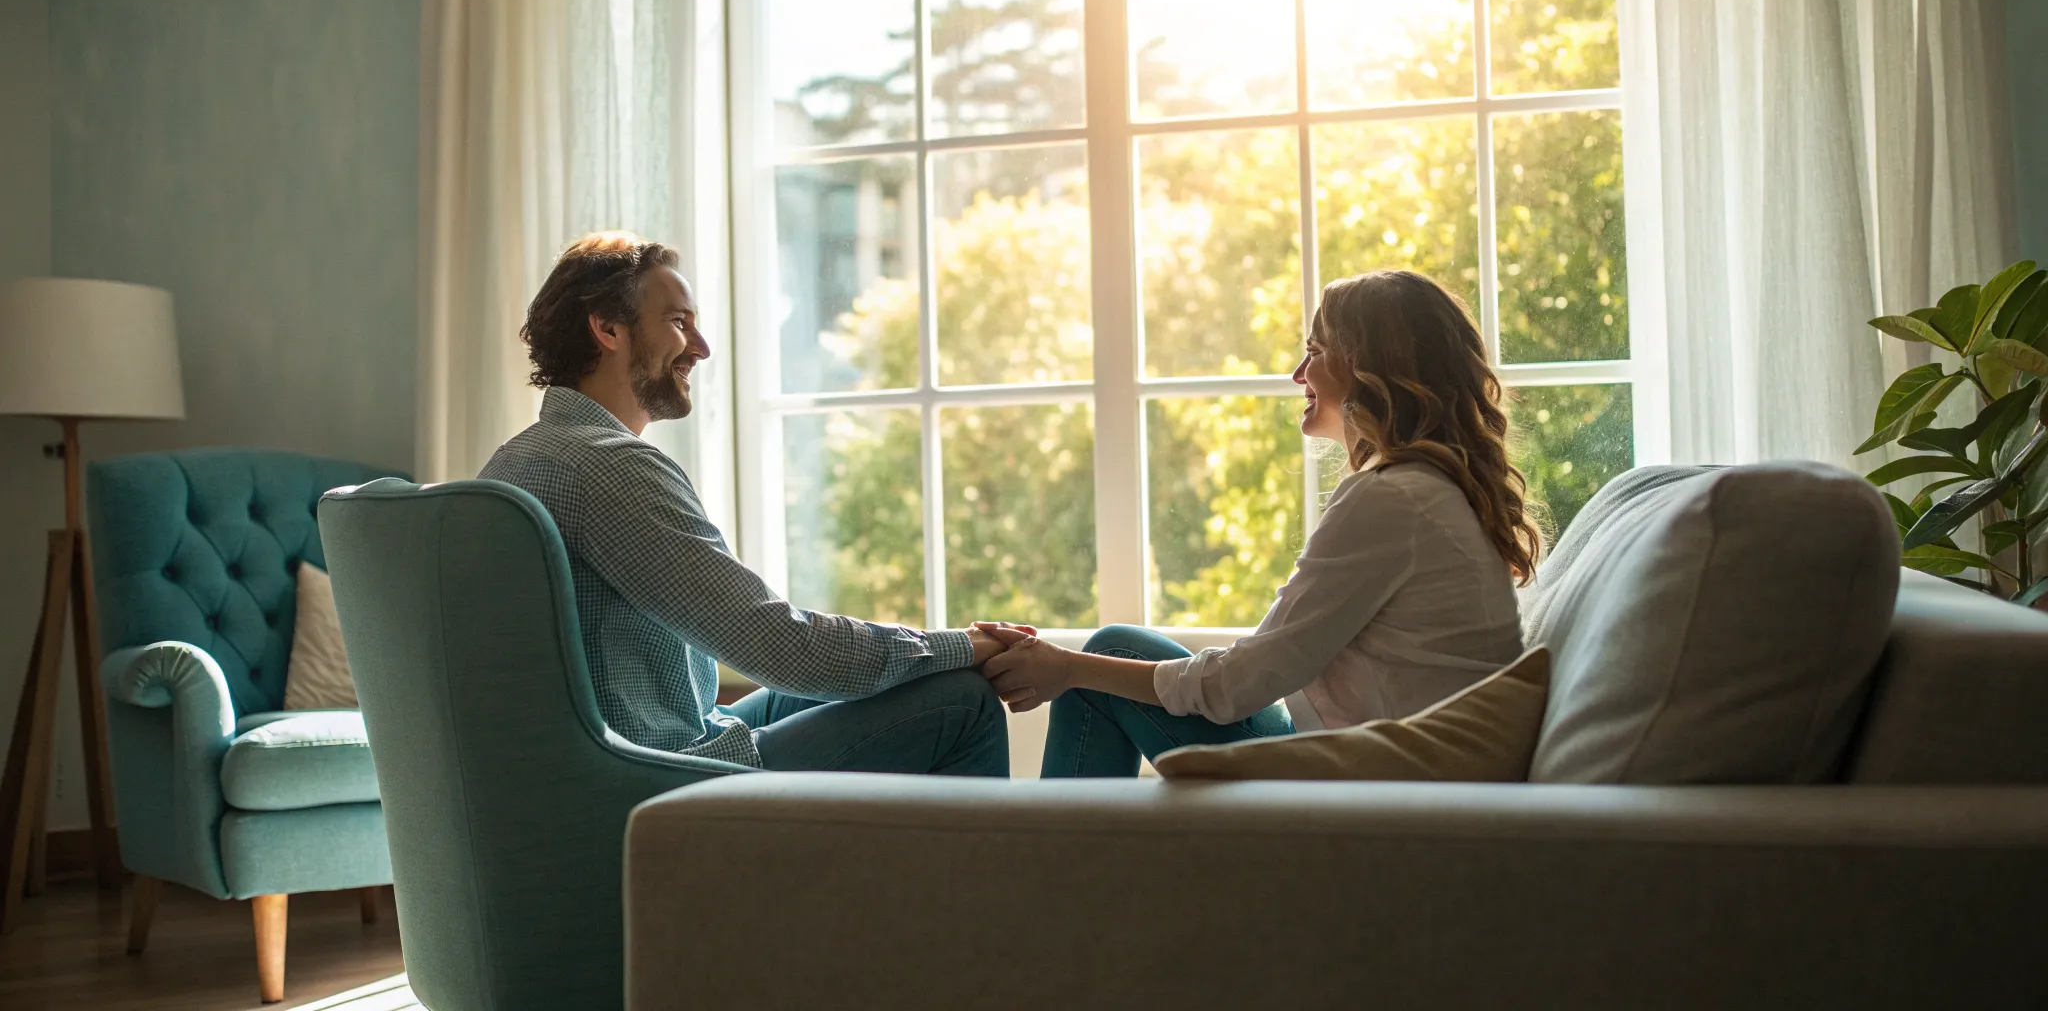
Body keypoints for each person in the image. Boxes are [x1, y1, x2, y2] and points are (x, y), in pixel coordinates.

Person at [482, 231, 1014, 775]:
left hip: (645, 745)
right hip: (660, 779)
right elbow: (785, 648)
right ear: (607, 328)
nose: (701, 347)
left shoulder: (516, 460)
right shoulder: (609, 468)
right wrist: (962, 645)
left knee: (915, 677)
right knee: (962, 700)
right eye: (679, 322)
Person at [980, 270, 1538, 777]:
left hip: (1369, 783)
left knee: (1104, 662)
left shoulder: (1395, 499)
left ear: (1370, 368)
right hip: (1374, 763)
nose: (1298, 373)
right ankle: (1065, 873)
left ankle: (1051, 876)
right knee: (1103, 661)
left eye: (1316, 350)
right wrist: (1067, 666)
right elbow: (1269, 662)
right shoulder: (1424, 494)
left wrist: (1066, 667)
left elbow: (1235, 688)